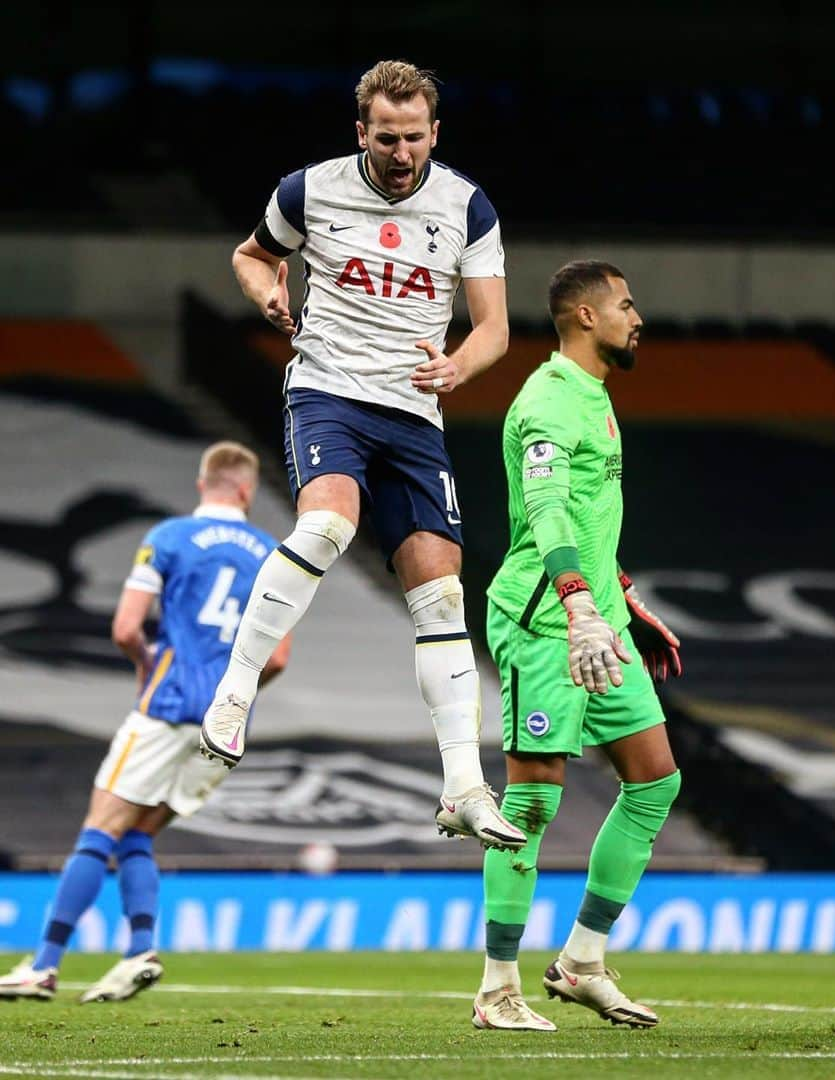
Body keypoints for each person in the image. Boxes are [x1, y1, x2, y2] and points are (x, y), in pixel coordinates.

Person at [198, 59, 524, 852]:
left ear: (434, 132)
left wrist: (461, 365)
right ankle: (233, 693)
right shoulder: (308, 190)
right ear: (361, 132)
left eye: (415, 137)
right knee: (327, 526)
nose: (402, 150)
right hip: (329, 391)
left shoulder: (467, 207)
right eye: (387, 136)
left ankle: (463, 787)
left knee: (442, 594)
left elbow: (493, 328)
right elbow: (251, 254)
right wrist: (267, 291)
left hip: (415, 412)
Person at [469, 260, 683, 1032]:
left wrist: (621, 598)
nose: (638, 316)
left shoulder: (594, 395)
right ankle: (497, 989)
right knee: (530, 802)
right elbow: (549, 513)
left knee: (655, 781)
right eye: (626, 304)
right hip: (543, 623)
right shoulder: (549, 403)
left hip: (599, 616)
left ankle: (582, 960)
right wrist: (579, 605)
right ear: (587, 317)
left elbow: (589, 521)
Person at [0, 442, 290, 1002]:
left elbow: (126, 628)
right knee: (135, 834)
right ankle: (139, 951)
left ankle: (44, 966)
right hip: (225, 727)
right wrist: (235, 697)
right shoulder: (276, 556)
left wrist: (145, 669)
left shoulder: (169, 538)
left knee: (99, 827)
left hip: (169, 703)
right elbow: (276, 659)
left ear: (204, 482)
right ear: (248, 490)